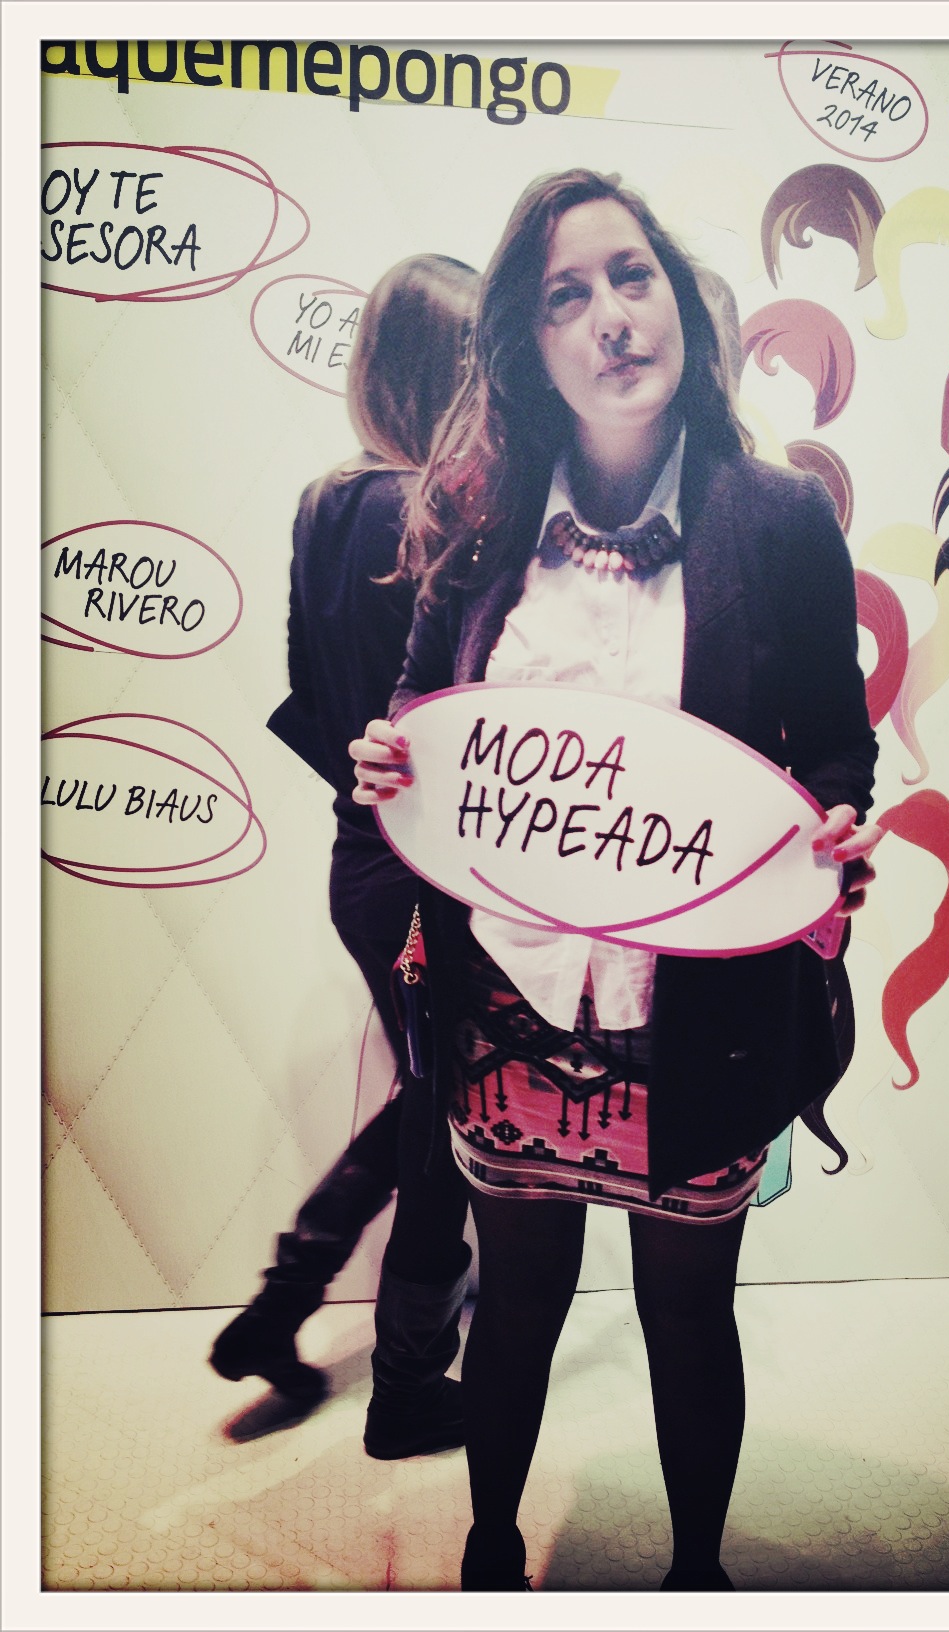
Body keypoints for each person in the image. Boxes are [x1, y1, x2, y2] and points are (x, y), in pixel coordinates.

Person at [349, 170, 880, 1589]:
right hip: (510, 1000)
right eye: (565, 296)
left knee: (687, 1313)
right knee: (517, 1303)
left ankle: (696, 1575)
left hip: (698, 1011)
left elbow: (835, 747)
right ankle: (491, 1553)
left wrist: (836, 833)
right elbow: (421, 709)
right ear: (529, 346)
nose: (609, 316)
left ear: (678, 302)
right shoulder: (478, 522)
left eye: (631, 275)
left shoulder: (779, 521)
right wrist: (392, 760)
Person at [209, 255, 479, 1459]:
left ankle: (281, 1308)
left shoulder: (326, 503)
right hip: (424, 883)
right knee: (446, 1119)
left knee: (434, 1096)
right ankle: (408, 1385)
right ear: (453, 374)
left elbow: (310, 699)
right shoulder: (429, 513)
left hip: (363, 871)